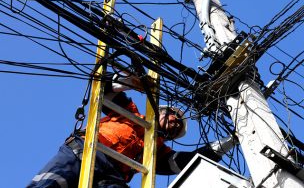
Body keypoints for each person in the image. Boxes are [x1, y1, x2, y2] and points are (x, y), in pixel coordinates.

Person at [27, 73, 236, 188]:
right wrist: (127, 81)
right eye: (173, 115)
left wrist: (233, 139)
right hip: (80, 155)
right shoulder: (131, 113)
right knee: (50, 186)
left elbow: (188, 161)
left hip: (110, 178)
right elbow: (103, 91)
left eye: (177, 126)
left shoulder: (158, 152)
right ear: (159, 111)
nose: (175, 121)